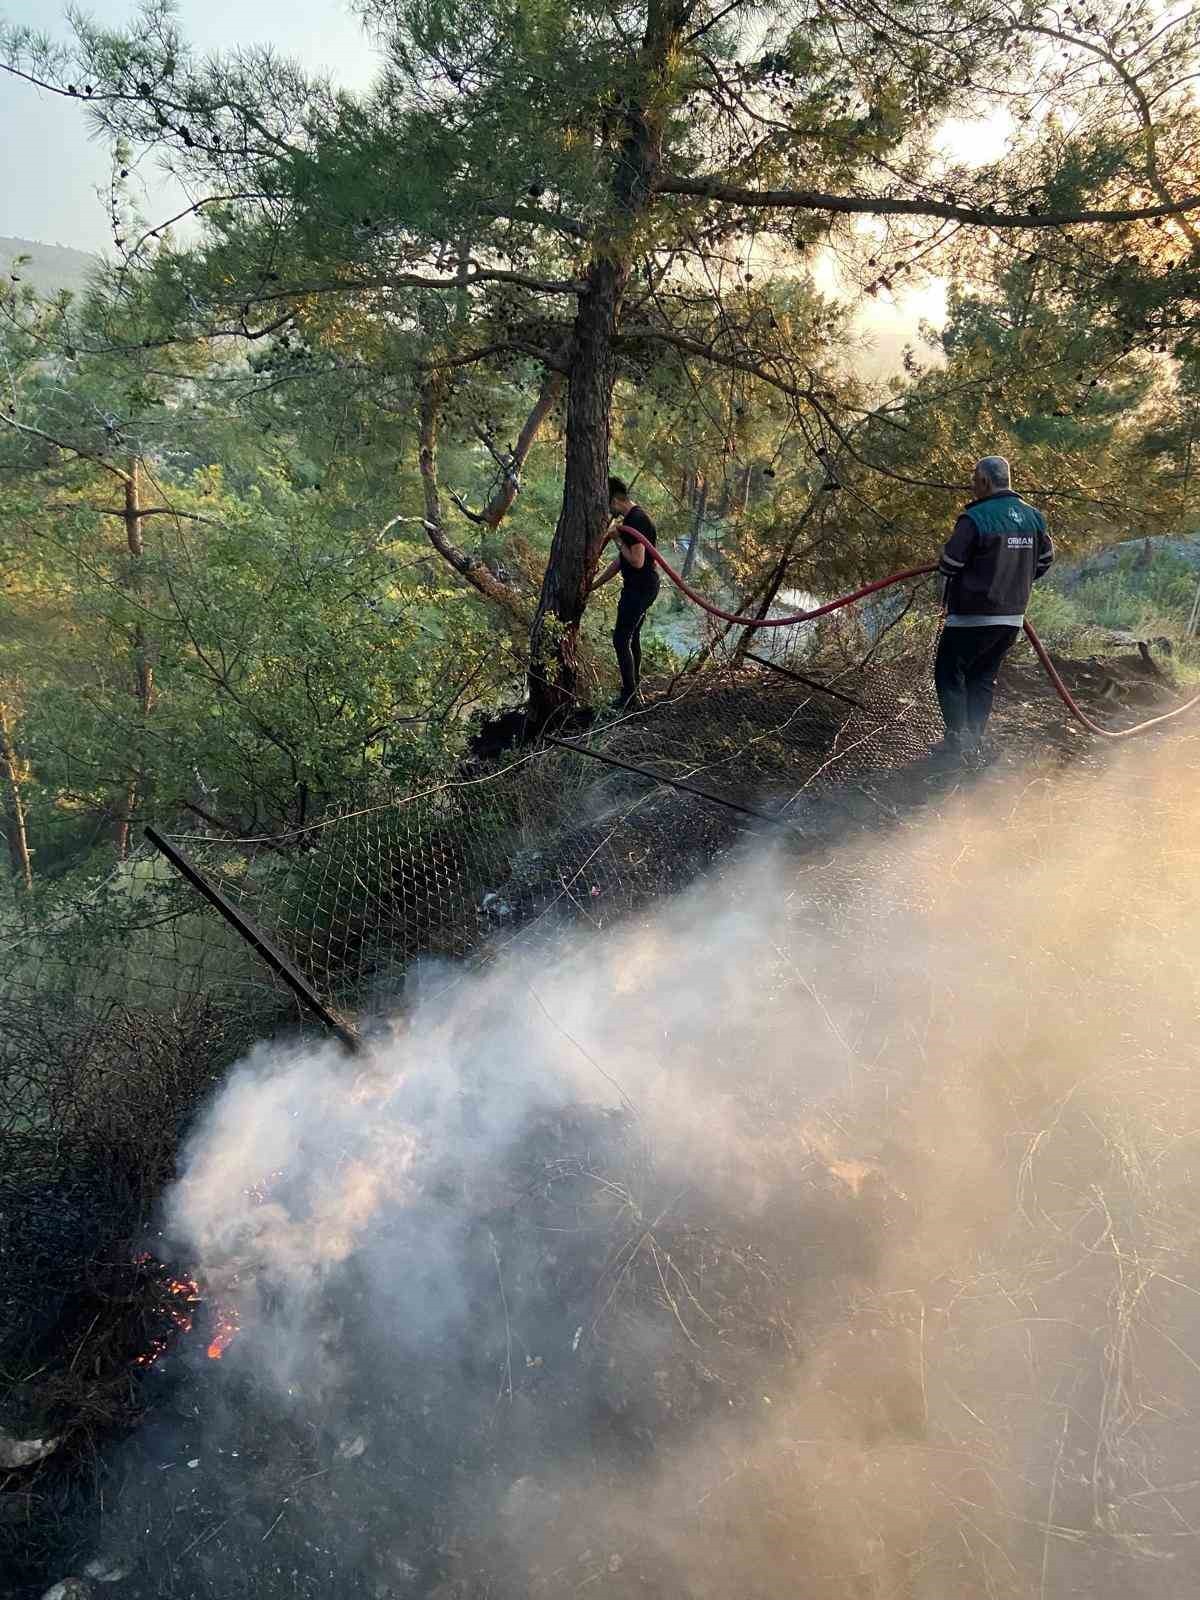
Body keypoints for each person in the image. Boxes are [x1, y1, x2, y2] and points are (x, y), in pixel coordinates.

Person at [932, 455, 1053, 760]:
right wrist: (1017, 579)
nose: (972, 487)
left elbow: (950, 563)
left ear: (985, 481)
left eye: (974, 481)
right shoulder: (1034, 517)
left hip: (971, 616)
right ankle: (974, 739)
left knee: (949, 672)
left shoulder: (975, 518)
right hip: (1011, 617)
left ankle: (957, 740)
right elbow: (1045, 561)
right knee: (983, 677)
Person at [590, 476, 661, 709]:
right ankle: (633, 690)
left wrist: (617, 537)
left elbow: (637, 561)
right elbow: (622, 562)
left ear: (615, 499)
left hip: (640, 588)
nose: (607, 510)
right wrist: (595, 584)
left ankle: (630, 697)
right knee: (631, 637)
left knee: (621, 639)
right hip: (641, 587)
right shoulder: (632, 519)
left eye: (606, 503)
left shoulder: (636, 521)